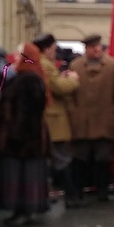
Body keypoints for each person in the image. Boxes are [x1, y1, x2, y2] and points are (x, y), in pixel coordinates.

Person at [0, 43, 51, 227]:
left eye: (19, 55)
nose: (15, 58)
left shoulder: (30, 80)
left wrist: (16, 135)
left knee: (23, 177)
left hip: (24, 140)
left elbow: (29, 113)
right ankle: (21, 210)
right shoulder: (26, 77)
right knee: (21, 177)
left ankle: (26, 211)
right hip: (24, 139)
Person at [67, 34, 114, 204]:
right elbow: (69, 94)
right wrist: (73, 112)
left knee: (103, 159)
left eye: (98, 46)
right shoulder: (75, 65)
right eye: (93, 47)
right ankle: (79, 191)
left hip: (105, 121)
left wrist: (113, 113)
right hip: (81, 121)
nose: (97, 49)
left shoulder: (113, 66)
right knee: (80, 159)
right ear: (86, 48)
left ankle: (103, 191)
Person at [33, 33, 81, 206]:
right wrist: (73, 80)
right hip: (53, 120)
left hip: (48, 119)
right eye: (53, 49)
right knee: (62, 158)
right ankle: (71, 197)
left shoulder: (39, 63)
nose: (55, 52)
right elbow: (59, 88)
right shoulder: (45, 65)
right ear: (46, 49)